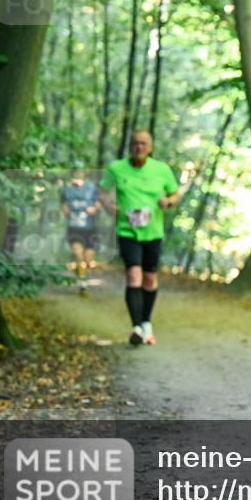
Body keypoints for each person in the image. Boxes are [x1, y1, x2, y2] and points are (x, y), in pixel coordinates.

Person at [99, 130, 180, 346]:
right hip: (127, 231)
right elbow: (102, 193)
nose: (139, 147)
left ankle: (146, 323)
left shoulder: (161, 170)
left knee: (150, 279)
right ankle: (136, 327)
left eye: (143, 144)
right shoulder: (116, 168)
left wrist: (168, 202)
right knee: (134, 276)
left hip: (153, 232)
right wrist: (110, 207)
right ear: (129, 146)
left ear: (150, 147)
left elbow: (174, 193)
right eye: (135, 143)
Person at [59, 169, 102, 296]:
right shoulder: (66, 190)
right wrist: (65, 210)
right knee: (78, 254)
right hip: (73, 227)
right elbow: (63, 204)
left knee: (88, 260)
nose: (76, 176)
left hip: (89, 228)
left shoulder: (91, 188)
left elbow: (99, 203)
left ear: (83, 175)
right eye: (74, 174)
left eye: (79, 174)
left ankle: (80, 270)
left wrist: (94, 208)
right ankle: (83, 285)